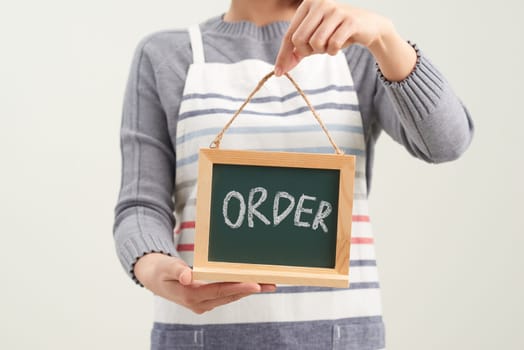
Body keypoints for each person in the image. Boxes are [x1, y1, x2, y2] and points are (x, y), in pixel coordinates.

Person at [113, 0, 474, 348]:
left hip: (342, 337)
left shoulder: (360, 53)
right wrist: (155, 267)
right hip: (199, 335)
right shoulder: (165, 56)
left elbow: (447, 142)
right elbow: (141, 205)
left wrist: (384, 39)